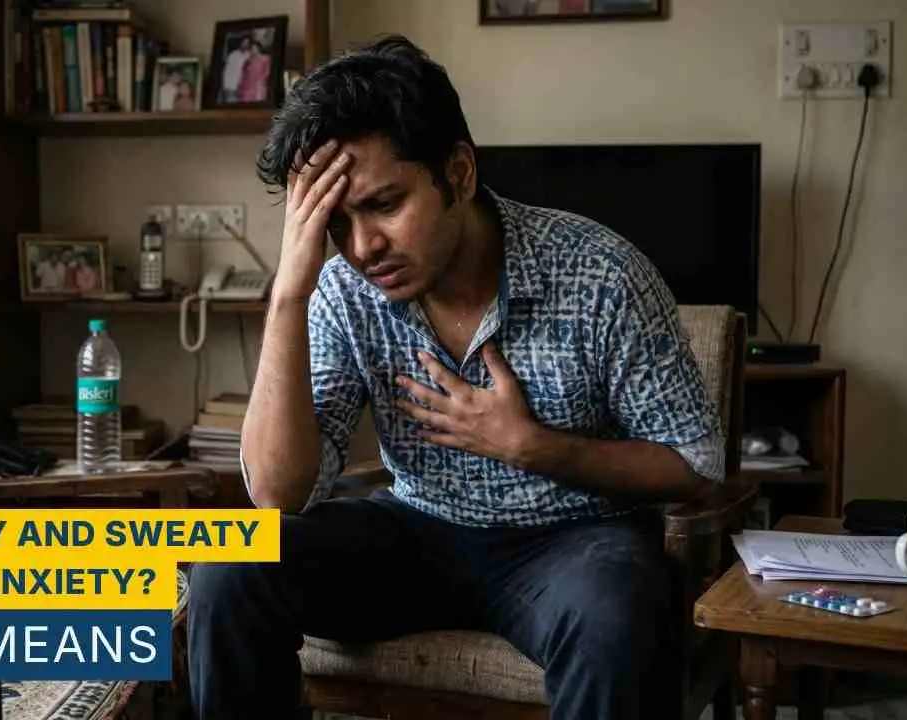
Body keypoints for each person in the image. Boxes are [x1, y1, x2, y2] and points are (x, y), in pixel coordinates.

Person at [186, 35, 725, 720]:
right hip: (417, 529)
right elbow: (278, 493)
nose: (363, 247)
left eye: (385, 204)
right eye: (336, 224)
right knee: (231, 566)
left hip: (574, 543)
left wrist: (534, 447)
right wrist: (291, 291)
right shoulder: (341, 289)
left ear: (460, 173)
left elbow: (697, 465)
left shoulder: (601, 274)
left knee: (623, 612)